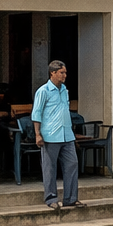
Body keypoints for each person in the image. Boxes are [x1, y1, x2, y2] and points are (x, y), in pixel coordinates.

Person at [31, 59, 82, 210]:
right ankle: (51, 197)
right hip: (50, 135)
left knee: (72, 164)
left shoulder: (64, 90)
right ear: (52, 73)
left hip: (66, 134)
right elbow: (37, 113)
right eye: (61, 73)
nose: (64, 75)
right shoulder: (43, 91)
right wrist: (37, 134)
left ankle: (71, 198)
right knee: (49, 167)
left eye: (65, 72)